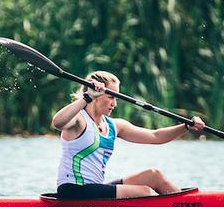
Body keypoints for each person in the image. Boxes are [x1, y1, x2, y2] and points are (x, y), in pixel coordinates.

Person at [51, 71, 205, 199]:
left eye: (116, 98)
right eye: (111, 97)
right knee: (144, 192)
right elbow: (57, 123)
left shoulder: (114, 126)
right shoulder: (78, 120)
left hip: (95, 189)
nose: (114, 103)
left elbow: (156, 136)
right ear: (95, 94)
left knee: (154, 175)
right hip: (73, 190)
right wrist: (87, 97)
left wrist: (186, 126)